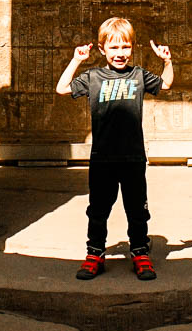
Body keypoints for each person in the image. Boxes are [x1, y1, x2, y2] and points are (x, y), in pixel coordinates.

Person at [56, 15, 173, 281]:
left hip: (133, 157)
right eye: (114, 47)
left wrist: (167, 62)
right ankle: (95, 253)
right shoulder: (93, 77)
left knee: (137, 209)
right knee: (98, 209)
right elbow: (62, 88)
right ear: (102, 49)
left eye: (125, 47)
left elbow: (165, 84)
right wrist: (76, 60)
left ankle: (140, 252)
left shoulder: (139, 75)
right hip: (102, 158)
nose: (120, 53)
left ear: (132, 47)